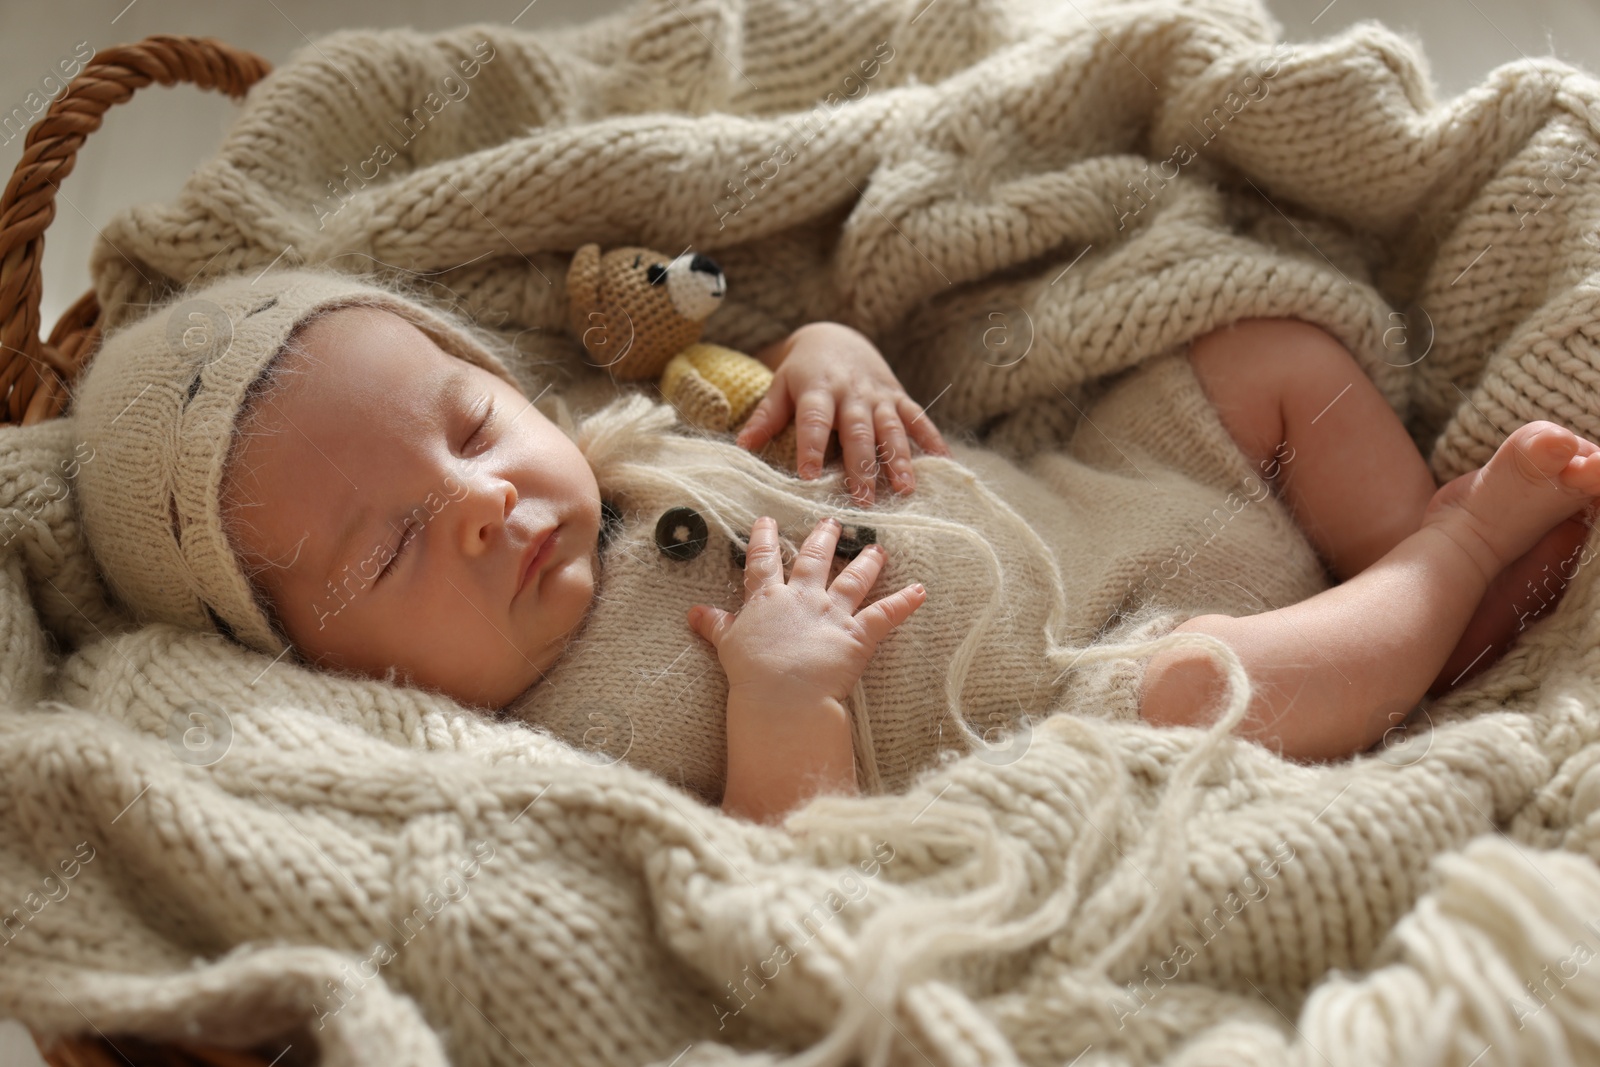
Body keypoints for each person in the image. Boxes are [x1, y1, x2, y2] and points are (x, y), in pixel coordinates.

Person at [72, 270, 1598, 825]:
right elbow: (792, 864)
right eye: (390, 547)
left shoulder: (635, 443)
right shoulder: (559, 742)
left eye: (472, 426)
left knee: (1263, 340)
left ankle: (1390, 523)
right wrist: (788, 707)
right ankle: (1441, 584)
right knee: (1193, 695)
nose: (481, 501)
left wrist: (831, 353)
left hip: (1109, 495)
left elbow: (770, 361)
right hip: (1080, 686)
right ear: (321, 671)